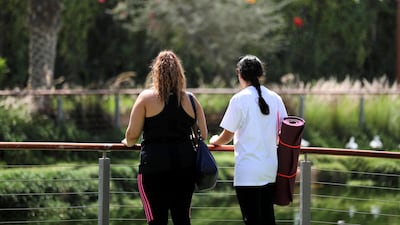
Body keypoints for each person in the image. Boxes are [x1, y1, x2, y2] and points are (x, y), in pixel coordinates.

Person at [122, 50, 208, 225]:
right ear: (179, 73)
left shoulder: (146, 98)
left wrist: (127, 142)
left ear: (156, 73)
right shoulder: (191, 99)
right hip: (185, 167)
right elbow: (203, 135)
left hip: (153, 167)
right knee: (182, 219)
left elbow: (132, 136)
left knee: (156, 220)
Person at [210, 55, 287, 225]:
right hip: (269, 169)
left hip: (248, 173)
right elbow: (285, 131)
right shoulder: (275, 98)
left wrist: (215, 140)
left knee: (251, 220)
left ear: (239, 74)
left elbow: (227, 135)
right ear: (261, 74)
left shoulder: (239, 99)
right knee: (268, 219)